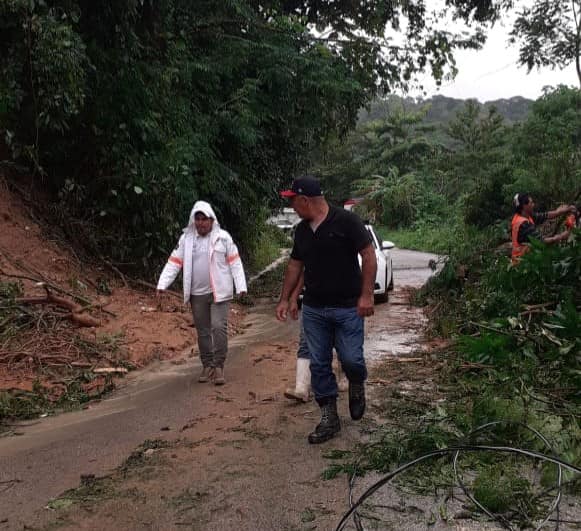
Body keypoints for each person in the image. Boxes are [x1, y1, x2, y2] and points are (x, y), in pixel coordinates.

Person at [276, 176, 377, 444]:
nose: (292, 207)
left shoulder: (347, 222)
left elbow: (368, 254)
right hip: (314, 309)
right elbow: (295, 266)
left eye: (293, 201)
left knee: (352, 359)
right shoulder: (301, 231)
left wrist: (366, 295)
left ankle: (356, 384)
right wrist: (285, 299)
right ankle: (329, 417)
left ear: (305, 200)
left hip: (348, 307)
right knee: (319, 365)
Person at [157, 201, 247, 385]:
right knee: (203, 331)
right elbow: (174, 262)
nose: (201, 223)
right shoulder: (186, 240)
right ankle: (207, 365)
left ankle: (219, 366)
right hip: (196, 294)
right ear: (193, 221)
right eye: (197, 219)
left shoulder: (223, 238)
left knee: (218, 327)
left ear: (211, 220)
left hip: (219, 292)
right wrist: (162, 284)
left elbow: (235, 262)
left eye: (204, 219)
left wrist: (241, 286)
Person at [511, 193, 576, 265]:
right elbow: (542, 241)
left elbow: (545, 216)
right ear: (524, 206)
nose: (533, 205)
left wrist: (560, 211)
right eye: (531, 203)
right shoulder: (523, 224)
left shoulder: (524, 215)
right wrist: (562, 236)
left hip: (525, 259)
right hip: (522, 263)